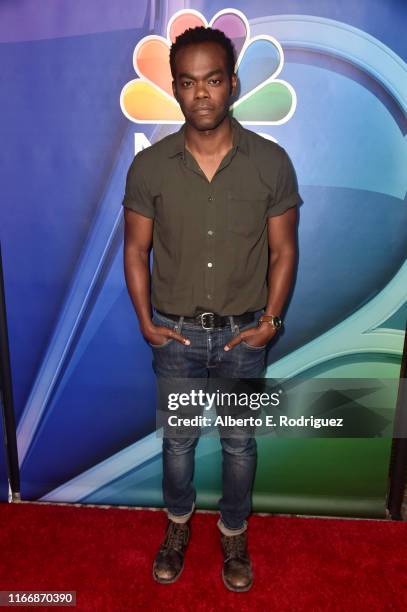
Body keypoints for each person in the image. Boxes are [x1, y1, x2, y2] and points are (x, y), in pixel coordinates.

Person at [122, 26, 302, 592]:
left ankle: (232, 532)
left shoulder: (270, 162)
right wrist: (146, 321)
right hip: (173, 336)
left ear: (233, 84)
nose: (202, 93)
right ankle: (178, 526)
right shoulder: (149, 168)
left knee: (239, 444)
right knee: (176, 444)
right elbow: (135, 249)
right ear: (175, 89)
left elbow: (285, 249)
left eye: (213, 80)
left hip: (241, 338)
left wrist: (269, 322)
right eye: (188, 82)